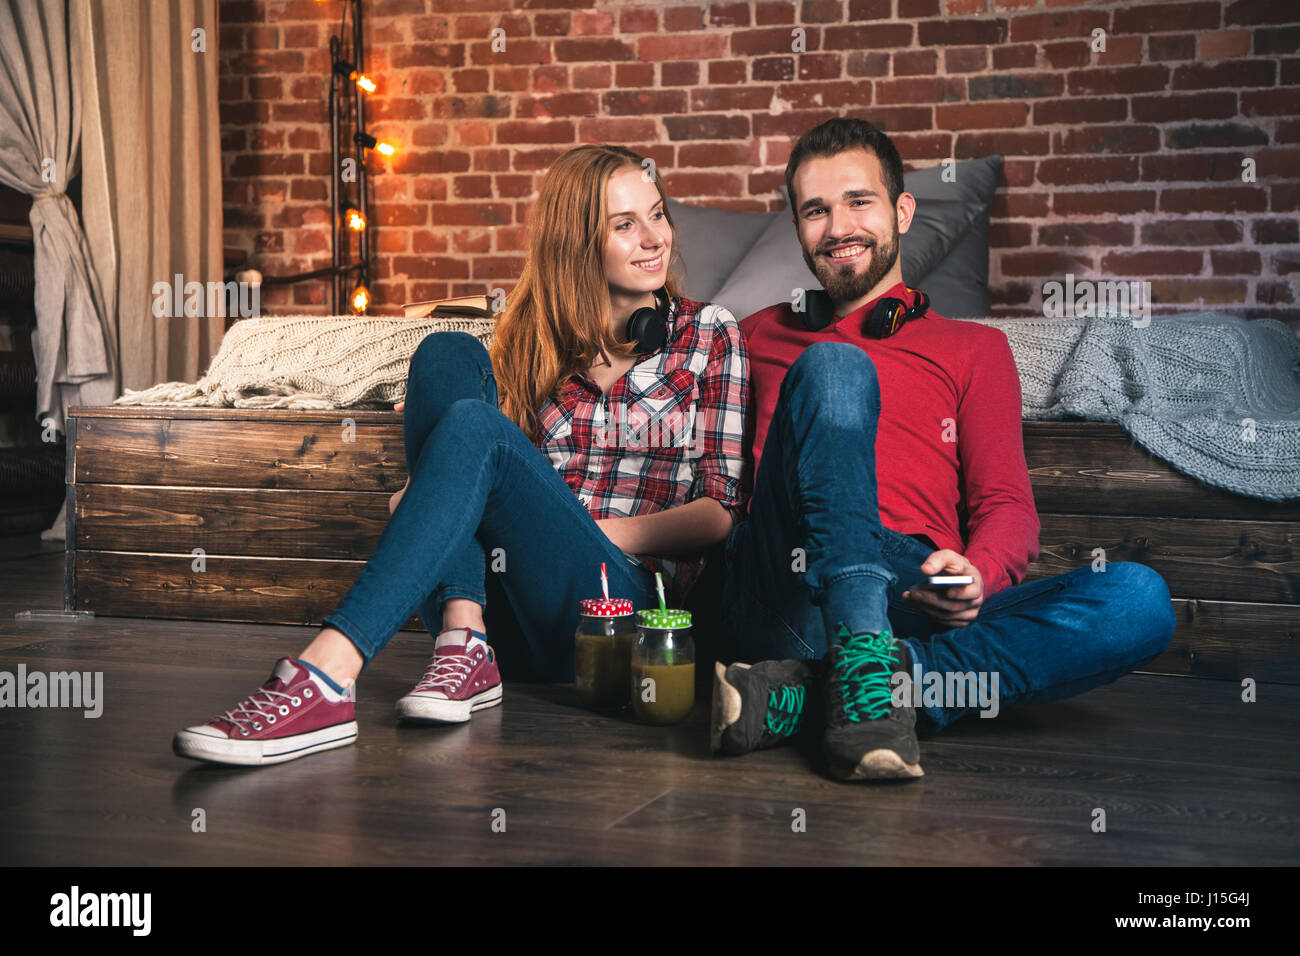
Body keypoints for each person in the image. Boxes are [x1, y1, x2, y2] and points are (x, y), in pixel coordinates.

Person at [174, 144, 748, 766]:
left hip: (617, 613)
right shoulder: (533, 342)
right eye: (624, 224)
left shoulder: (710, 331)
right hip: (508, 618)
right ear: (577, 243)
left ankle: (327, 674)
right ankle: (464, 636)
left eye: (658, 215)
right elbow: (480, 474)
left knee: (472, 427)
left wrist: (588, 531)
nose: (654, 238)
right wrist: (435, 494)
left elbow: (720, 512)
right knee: (444, 353)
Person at [710, 117, 1175, 781]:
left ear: (902, 211)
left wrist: (978, 573)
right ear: (798, 228)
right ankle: (864, 663)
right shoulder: (751, 335)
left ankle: (840, 688)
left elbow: (1009, 504)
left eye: (859, 201)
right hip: (789, 582)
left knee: (1137, 599)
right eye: (815, 210)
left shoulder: (976, 349)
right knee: (836, 368)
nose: (838, 226)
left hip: (917, 592)